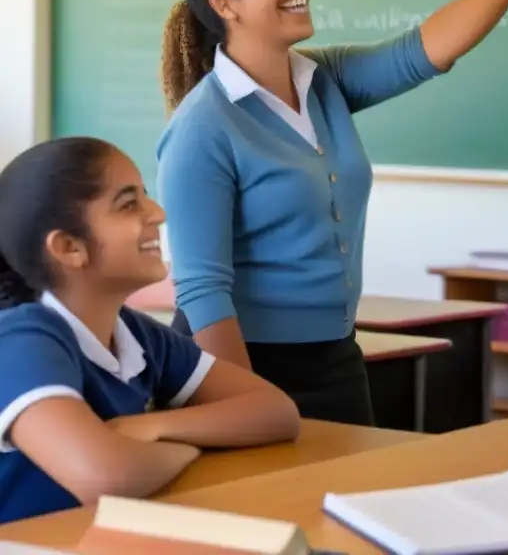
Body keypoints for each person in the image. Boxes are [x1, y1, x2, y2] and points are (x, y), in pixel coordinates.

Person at [156, 0, 508, 425]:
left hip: (334, 356)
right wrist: (244, 404)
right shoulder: (204, 126)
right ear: (223, 2)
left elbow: (426, 49)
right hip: (239, 366)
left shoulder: (324, 80)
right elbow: (201, 291)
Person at [0, 137, 301, 525]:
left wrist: (150, 427)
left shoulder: (134, 334)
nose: (157, 213)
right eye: (129, 205)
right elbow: (105, 476)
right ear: (69, 247)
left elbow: (276, 412)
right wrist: (187, 448)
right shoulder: (20, 339)